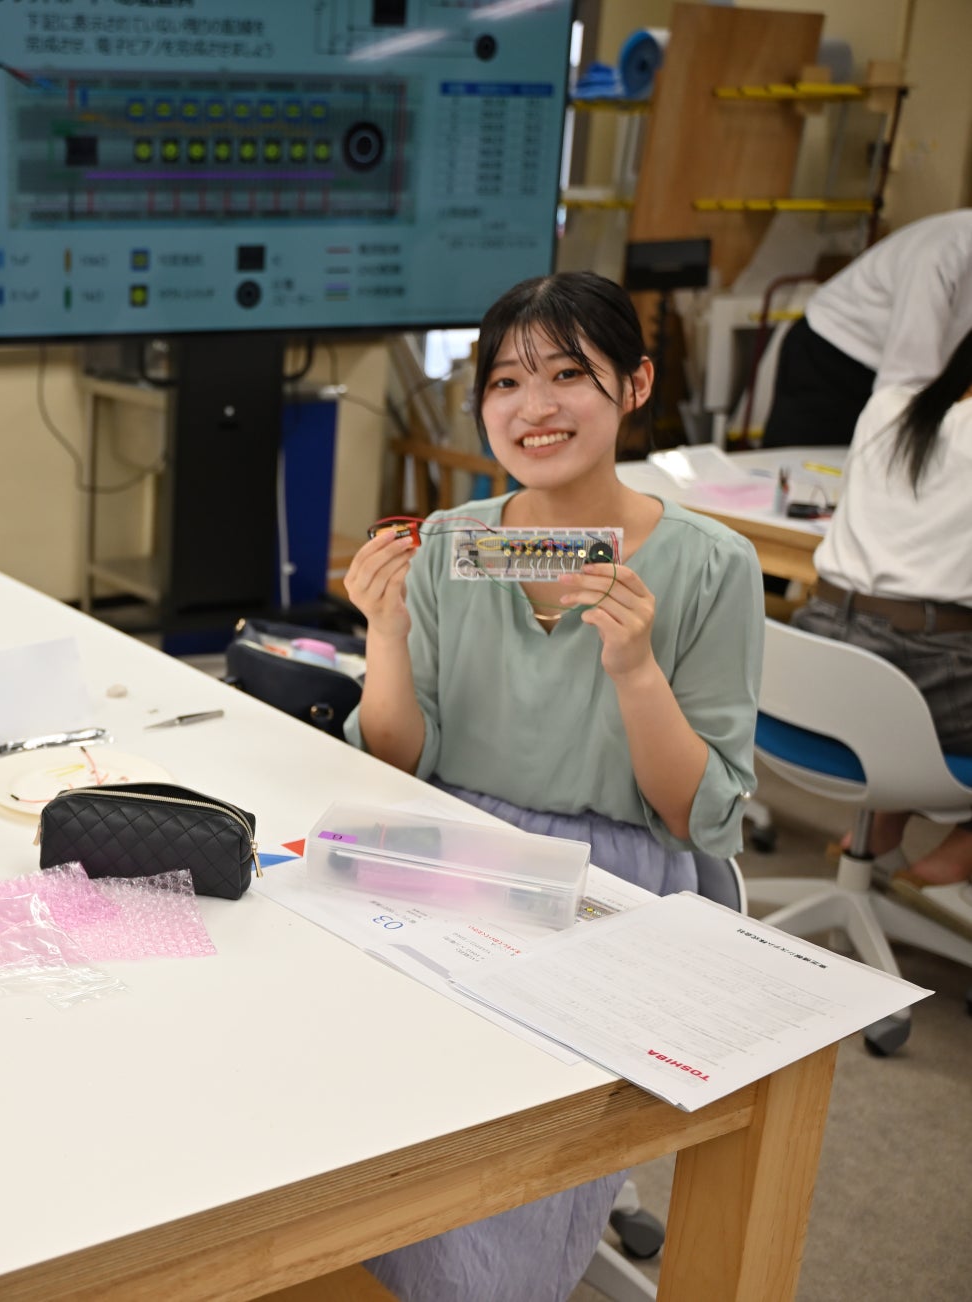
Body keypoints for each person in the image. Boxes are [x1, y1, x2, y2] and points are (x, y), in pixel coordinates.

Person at [342, 271, 764, 1302]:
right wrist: (386, 636)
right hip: (449, 850)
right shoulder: (454, 542)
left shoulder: (714, 565)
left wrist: (635, 670)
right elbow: (396, 761)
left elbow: (696, 814)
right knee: (342, 1067)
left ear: (636, 386)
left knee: (495, 1132)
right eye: (505, 382)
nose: (534, 407)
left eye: (569, 374)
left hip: (611, 875)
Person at [792, 326, 972, 939]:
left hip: (819, 655)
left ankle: (886, 818)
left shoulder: (887, 405)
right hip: (919, 674)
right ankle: (962, 845)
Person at [765, 208, 972, 448]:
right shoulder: (942, 255)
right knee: (804, 463)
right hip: (833, 357)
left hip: (906, 374)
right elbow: (902, 387)